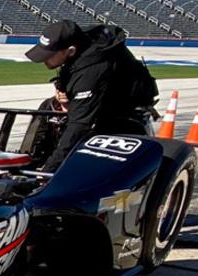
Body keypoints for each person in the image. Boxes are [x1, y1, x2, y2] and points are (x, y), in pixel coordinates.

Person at [25, 20, 159, 172]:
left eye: (49, 55)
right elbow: (70, 71)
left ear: (70, 51)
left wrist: (49, 171)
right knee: (48, 106)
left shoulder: (92, 70)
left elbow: (79, 125)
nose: (44, 59)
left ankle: (54, 168)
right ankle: (31, 158)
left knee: (79, 133)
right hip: (100, 95)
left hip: (123, 113)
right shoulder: (81, 41)